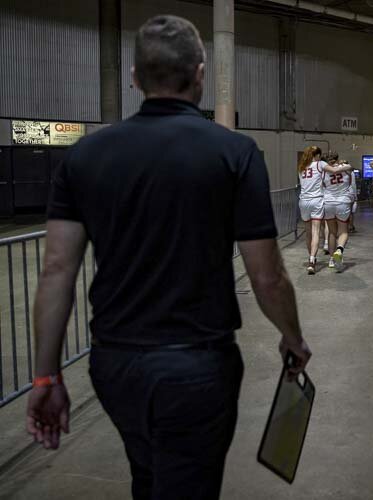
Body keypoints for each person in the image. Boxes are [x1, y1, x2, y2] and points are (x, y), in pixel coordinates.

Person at [25, 16, 312, 500]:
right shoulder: (235, 153)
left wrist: (45, 374)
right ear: (200, 75)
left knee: (148, 474)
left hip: (115, 363)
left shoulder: (84, 156)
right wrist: (292, 336)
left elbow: (56, 270)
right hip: (198, 366)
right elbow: (268, 277)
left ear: (135, 78)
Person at [298, 146, 352, 274]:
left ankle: (314, 259)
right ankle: (338, 251)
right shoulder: (320, 165)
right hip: (324, 200)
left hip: (309, 201)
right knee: (327, 231)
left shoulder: (301, 167)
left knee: (314, 232)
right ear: (317, 156)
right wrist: (347, 166)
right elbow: (336, 172)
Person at [322, 152, 354, 272]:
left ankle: (331, 259)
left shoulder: (324, 171)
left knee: (331, 232)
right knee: (343, 231)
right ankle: (339, 250)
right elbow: (350, 180)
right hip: (343, 201)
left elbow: (322, 186)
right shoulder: (345, 168)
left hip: (328, 202)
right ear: (337, 159)